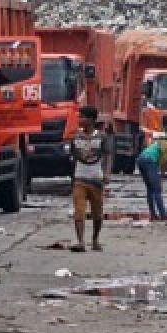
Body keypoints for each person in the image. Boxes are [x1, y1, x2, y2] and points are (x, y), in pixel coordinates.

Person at [70, 106, 108, 251]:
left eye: (82, 117)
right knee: (79, 211)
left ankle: (95, 239)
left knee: (97, 213)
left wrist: (106, 173)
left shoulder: (101, 137)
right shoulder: (75, 136)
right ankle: (80, 242)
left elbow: (108, 155)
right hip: (80, 178)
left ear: (91, 120)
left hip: (96, 179)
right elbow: (74, 155)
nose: (80, 120)